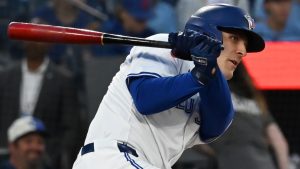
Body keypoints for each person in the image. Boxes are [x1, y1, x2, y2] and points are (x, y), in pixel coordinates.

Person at [72, 4, 265, 169]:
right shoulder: (162, 46)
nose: (242, 51)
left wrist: (207, 72)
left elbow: (216, 126)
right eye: (234, 38)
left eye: (245, 44)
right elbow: (145, 99)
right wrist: (198, 76)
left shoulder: (213, 88)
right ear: (210, 32)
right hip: (112, 158)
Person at [0, 38, 83, 169]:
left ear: (50, 43)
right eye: (30, 37)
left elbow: (71, 127)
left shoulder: (64, 80)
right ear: (23, 42)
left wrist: (56, 157)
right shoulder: (5, 77)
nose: (34, 42)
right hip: (7, 156)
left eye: (39, 38)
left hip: (49, 159)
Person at [207, 62, 290, 169]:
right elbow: (279, 141)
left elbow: (192, 135)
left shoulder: (211, 93)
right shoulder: (256, 102)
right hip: (264, 164)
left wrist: (217, 152)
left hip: (231, 161)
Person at [91, 0, 156, 57]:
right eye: (139, 20)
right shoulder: (108, 35)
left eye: (145, 19)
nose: (143, 24)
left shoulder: (149, 35)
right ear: (123, 14)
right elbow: (104, 66)